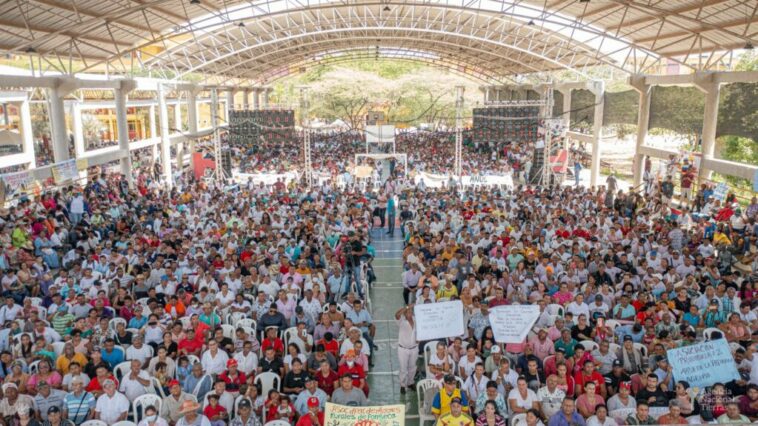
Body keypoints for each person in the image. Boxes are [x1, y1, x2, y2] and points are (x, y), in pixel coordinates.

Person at [395, 304, 417, 394]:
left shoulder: (417, 320)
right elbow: (397, 314)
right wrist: (408, 307)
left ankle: (410, 382)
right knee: (403, 368)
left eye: (411, 312)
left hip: (414, 348)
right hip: (403, 349)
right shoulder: (401, 322)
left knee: (413, 367)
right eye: (407, 312)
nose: (409, 313)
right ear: (404, 313)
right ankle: (403, 385)